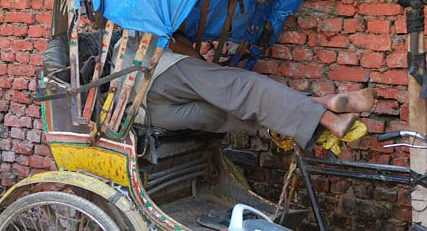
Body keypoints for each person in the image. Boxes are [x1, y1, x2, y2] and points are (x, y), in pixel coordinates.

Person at [144, 31, 374, 150]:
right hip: (153, 73)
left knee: (236, 112)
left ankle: (321, 104)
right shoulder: (158, 21)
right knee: (241, 89)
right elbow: (190, 55)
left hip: (146, 115)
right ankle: (326, 112)